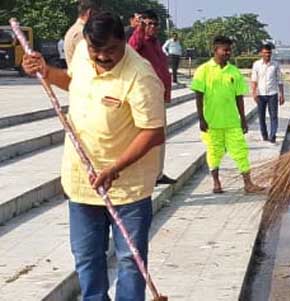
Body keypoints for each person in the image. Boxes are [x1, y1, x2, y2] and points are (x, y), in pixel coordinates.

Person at [22, 12, 166, 300]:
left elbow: (153, 133)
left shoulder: (140, 76)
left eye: (110, 50)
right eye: (95, 49)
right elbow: (72, 81)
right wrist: (46, 71)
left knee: (129, 260)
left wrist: (114, 168)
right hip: (82, 182)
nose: (101, 57)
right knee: (87, 258)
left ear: (124, 42)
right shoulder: (83, 58)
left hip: (127, 189)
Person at [191, 36, 264, 194]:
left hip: (232, 122)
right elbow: (198, 96)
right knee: (214, 152)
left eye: (229, 50)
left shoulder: (234, 71)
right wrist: (201, 119)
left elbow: (239, 97)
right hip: (212, 122)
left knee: (240, 151)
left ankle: (248, 183)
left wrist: (243, 119)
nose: (228, 52)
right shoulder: (203, 70)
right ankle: (216, 182)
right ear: (215, 50)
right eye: (224, 49)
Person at [129, 9, 176, 185]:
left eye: (155, 24)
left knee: (161, 135)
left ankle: (158, 173)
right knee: (150, 135)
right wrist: (139, 29)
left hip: (159, 95)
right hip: (146, 95)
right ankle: (149, 174)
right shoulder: (139, 40)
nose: (153, 27)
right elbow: (132, 49)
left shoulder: (156, 43)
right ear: (142, 24)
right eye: (149, 24)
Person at [251, 44, 284, 143]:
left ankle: (273, 135)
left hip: (272, 94)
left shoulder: (275, 65)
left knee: (273, 116)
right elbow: (254, 80)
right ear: (261, 53)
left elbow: (280, 80)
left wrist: (281, 94)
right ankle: (264, 135)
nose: (267, 55)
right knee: (261, 117)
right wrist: (254, 93)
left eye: (269, 53)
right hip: (261, 94)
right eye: (265, 53)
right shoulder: (256, 65)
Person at [63, 0, 100, 66]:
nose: (98, 18)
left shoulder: (75, 30)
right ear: (90, 13)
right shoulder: (81, 33)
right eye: (96, 14)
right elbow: (89, 60)